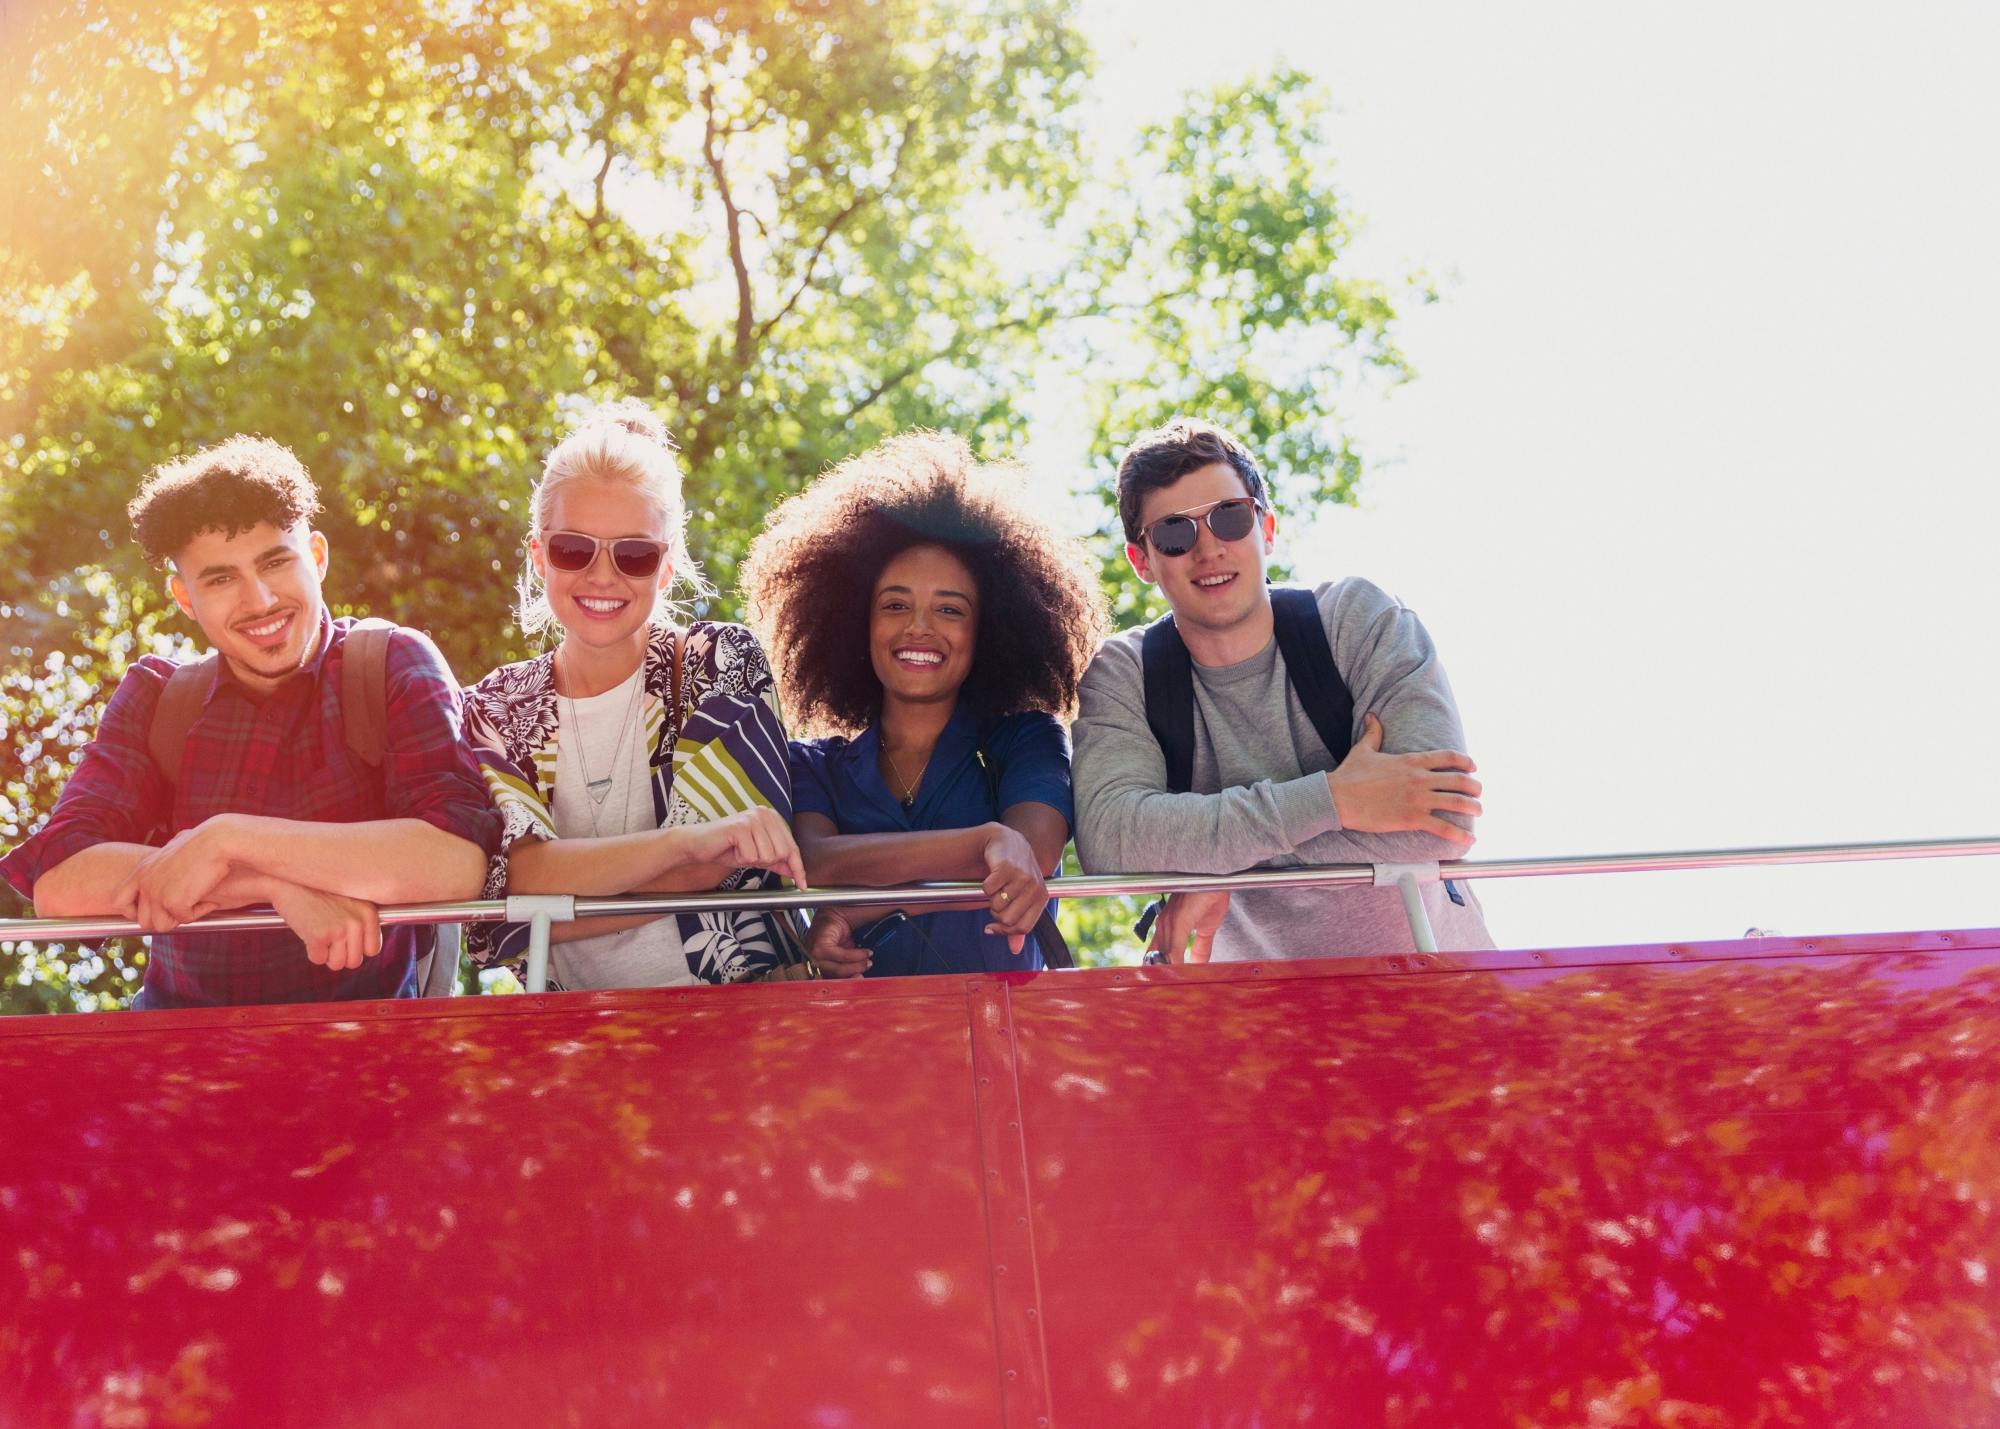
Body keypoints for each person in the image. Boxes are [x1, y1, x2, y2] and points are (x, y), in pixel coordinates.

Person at [0, 436, 502, 1007]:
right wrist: (267, 883)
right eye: (221, 579)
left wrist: (228, 839)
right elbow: (61, 881)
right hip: (177, 1047)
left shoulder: (390, 663)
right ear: (184, 598)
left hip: (364, 1043)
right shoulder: (159, 697)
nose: (259, 600)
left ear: (316, 556)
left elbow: (455, 861)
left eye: (275, 562)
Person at [1071, 417, 1494, 963]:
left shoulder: (1358, 620)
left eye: (1229, 517)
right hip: (1255, 1009)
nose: (1209, 549)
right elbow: (1111, 841)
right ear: (1142, 561)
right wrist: (1337, 799)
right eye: (1175, 533)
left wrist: (1212, 866)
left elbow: (1441, 821)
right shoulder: (1126, 673)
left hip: (1439, 991)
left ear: (1266, 528)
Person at [461, 401, 808, 988]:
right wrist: (683, 844)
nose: (603, 576)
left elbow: (722, 868)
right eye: (574, 549)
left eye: (634, 554)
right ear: (539, 555)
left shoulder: (719, 662)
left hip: (747, 1024)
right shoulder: (495, 706)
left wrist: (552, 898)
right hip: (572, 1034)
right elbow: (508, 892)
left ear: (665, 566)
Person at [739, 432, 1108, 977]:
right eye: (895, 605)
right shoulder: (812, 763)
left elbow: (1030, 857)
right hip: (857, 1026)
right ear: (856, 622)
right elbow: (813, 863)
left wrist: (859, 905)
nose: (918, 627)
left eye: (950, 610)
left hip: (1002, 1023)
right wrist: (984, 841)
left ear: (988, 631)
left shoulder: (1027, 738)